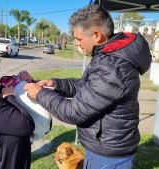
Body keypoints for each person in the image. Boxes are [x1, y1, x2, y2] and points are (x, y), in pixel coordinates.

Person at [23, 4, 152, 169]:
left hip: (108, 154)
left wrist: (40, 94)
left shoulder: (113, 67)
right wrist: (55, 84)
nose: (76, 43)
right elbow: (88, 87)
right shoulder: (107, 55)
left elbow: (74, 111)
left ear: (96, 35)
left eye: (78, 38)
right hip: (102, 146)